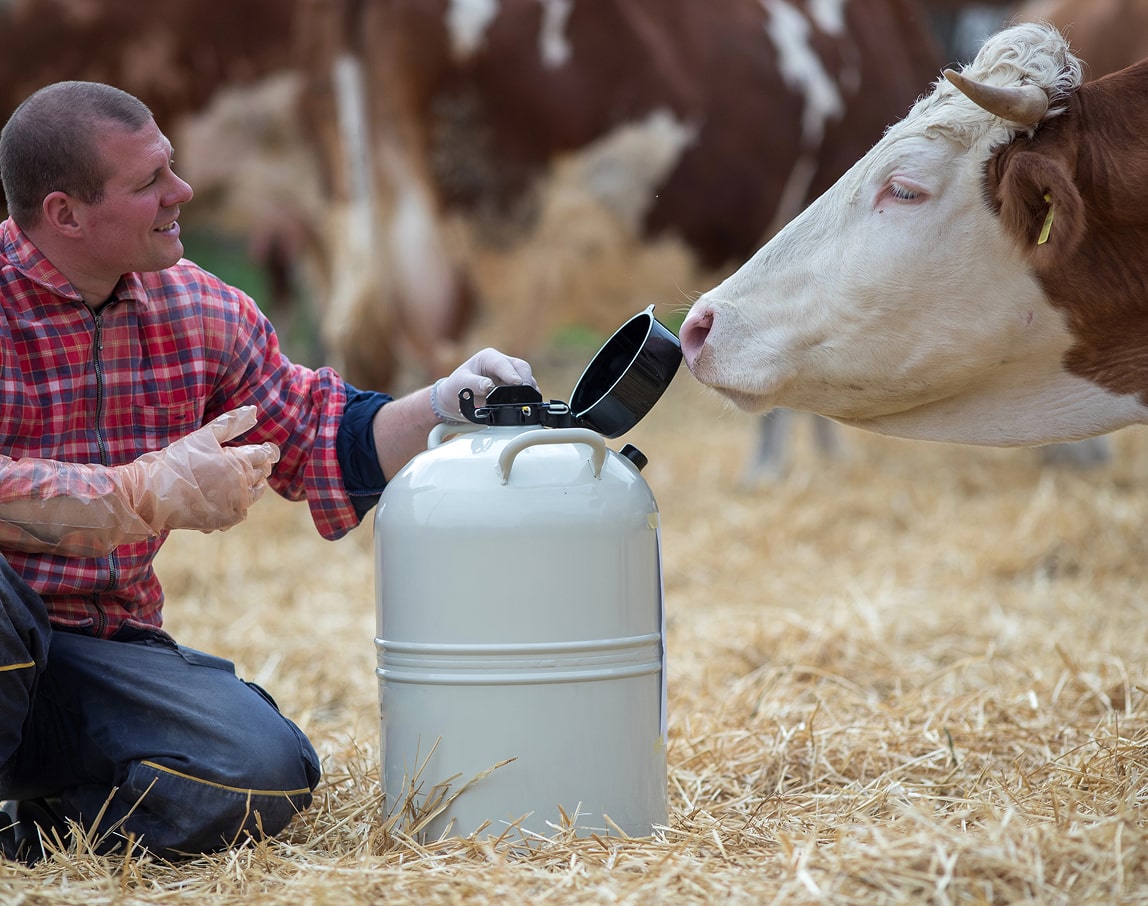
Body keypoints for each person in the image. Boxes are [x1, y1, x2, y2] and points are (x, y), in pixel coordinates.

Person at [0, 80, 535, 861]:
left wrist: (443, 404)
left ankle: (33, 845)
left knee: (261, 777)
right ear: (65, 214)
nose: (181, 192)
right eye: (148, 182)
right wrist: (136, 495)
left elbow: (321, 432)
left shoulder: (205, 310)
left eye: (170, 167)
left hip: (102, 647)